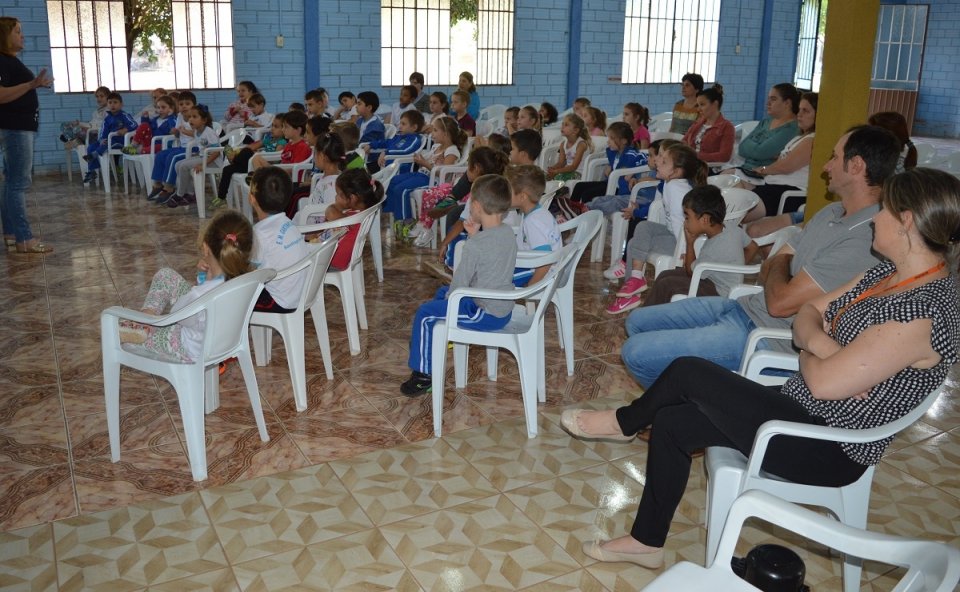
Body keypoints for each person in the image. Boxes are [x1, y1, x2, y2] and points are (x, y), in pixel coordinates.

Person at [560, 166, 960, 570]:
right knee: (673, 422)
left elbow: (821, 383)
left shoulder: (921, 312)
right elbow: (807, 312)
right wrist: (825, 345)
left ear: (906, 220)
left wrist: (817, 352)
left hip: (826, 445)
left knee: (688, 371)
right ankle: (647, 542)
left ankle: (625, 422)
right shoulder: (885, 275)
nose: (875, 217)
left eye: (885, 210)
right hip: (800, 408)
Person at [619, 125, 901, 387]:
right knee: (636, 322)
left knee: (635, 352)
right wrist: (781, 267)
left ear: (856, 166)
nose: (826, 167)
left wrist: (781, 262)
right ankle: (676, 396)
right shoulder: (830, 213)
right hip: (746, 306)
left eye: (834, 157)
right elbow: (768, 270)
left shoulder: (866, 237)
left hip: (767, 333)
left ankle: (670, 410)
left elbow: (780, 302)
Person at [401, 174, 517, 397]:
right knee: (441, 293)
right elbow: (488, 264)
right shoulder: (506, 233)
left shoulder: (474, 247)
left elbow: (460, 285)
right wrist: (474, 236)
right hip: (502, 306)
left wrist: (450, 299)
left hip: (484, 311)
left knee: (425, 313)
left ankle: (423, 376)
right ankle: (438, 339)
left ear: (475, 206)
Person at [118, 209, 255, 361]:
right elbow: (204, 299)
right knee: (166, 275)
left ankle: (143, 326)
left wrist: (201, 285)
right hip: (222, 339)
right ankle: (146, 317)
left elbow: (178, 316)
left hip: (190, 347)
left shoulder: (199, 295)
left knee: (116, 328)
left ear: (205, 248)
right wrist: (207, 275)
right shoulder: (249, 280)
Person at [607, 143, 707, 314]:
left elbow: (680, 222)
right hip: (675, 235)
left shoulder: (676, 188)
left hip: (683, 243)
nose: (658, 161)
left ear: (676, 171)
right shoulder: (671, 183)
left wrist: (683, 251)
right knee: (640, 231)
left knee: (635, 242)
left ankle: (631, 291)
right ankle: (634, 284)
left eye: (664, 161)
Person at [642, 184, 754, 306]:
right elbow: (753, 247)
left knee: (667, 283)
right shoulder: (733, 228)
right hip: (712, 280)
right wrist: (737, 269)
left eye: (687, 217)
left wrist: (690, 243)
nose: (685, 222)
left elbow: (692, 272)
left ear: (705, 219)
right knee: (665, 275)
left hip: (719, 292)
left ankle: (646, 318)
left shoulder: (714, 248)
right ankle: (653, 311)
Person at [0, 16, 54, 254]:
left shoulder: (9, 61)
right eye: (18, 31)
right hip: (15, 129)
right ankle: (24, 239)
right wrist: (31, 85)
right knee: (18, 184)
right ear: (4, 36)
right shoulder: (2, 61)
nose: (22, 36)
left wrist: (35, 85)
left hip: (17, 128)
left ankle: (11, 234)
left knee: (11, 182)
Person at [740, 92, 818, 223]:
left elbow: (785, 166)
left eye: (806, 111)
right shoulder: (799, 138)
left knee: (736, 214)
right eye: (799, 110)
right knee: (734, 186)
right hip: (772, 186)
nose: (799, 114)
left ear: (818, 115)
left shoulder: (812, 140)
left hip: (786, 192)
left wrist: (763, 169)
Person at [248, 166, 311, 313]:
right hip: (302, 292)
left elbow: (249, 271)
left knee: (232, 295)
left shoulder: (259, 234)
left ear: (252, 198)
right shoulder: (289, 223)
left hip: (281, 301)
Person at [384, 116, 465, 221]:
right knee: (393, 181)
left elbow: (444, 174)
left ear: (446, 134)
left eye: (435, 130)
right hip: (421, 174)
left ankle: (405, 222)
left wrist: (425, 163)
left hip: (433, 181)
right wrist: (420, 159)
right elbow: (427, 161)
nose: (432, 134)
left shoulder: (452, 151)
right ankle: (394, 213)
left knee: (401, 189)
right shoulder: (436, 147)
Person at [726, 83, 800, 176]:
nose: (768, 103)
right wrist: (758, 149)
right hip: (745, 169)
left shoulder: (792, 128)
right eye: (768, 98)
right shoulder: (765, 122)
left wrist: (755, 147)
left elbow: (760, 152)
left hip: (762, 176)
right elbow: (742, 148)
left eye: (773, 99)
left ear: (787, 103)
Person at [571, 121, 648, 206]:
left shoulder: (632, 154)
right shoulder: (614, 152)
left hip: (620, 189)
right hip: (610, 182)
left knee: (588, 194)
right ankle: (570, 209)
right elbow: (615, 164)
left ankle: (585, 214)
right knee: (579, 186)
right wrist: (609, 165)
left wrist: (632, 171)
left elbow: (645, 159)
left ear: (623, 141)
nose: (608, 142)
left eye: (611, 139)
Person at [321, 168, 384, 272]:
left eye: (339, 194)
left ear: (352, 198)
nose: (336, 197)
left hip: (332, 263)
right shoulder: (360, 213)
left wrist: (336, 206)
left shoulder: (353, 219)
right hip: (337, 259)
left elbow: (330, 212)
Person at [216, 113, 288, 204]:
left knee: (246, 152)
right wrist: (239, 151)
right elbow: (253, 146)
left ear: (284, 129)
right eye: (272, 125)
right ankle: (221, 197)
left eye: (276, 127)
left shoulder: (282, 142)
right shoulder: (268, 138)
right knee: (227, 169)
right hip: (250, 163)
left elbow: (275, 158)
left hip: (261, 166)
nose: (272, 128)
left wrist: (258, 154)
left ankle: (233, 159)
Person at [507, 165, 561, 286]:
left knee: (493, 279)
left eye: (508, 190)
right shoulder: (537, 213)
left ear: (522, 197)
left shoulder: (533, 222)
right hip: (531, 266)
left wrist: (531, 287)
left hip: (538, 273)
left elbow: (546, 260)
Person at [163, 105, 223, 208]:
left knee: (183, 166)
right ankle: (190, 193)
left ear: (204, 120)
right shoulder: (197, 131)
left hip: (213, 161)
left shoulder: (209, 132)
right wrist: (182, 130)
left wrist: (203, 164)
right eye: (190, 117)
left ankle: (180, 194)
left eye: (194, 117)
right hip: (203, 158)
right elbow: (193, 134)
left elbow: (217, 151)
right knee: (178, 165)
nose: (190, 119)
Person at [82, 92, 137, 184]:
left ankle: (94, 155)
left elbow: (134, 124)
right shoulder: (107, 119)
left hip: (121, 141)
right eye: (110, 102)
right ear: (107, 104)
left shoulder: (124, 115)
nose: (112, 105)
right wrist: (102, 139)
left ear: (121, 104)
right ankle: (92, 172)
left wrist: (126, 129)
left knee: (108, 143)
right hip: (108, 141)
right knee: (91, 147)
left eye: (115, 102)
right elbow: (103, 131)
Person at [681, 85, 735, 164]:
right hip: (691, 162)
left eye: (702, 105)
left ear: (715, 104)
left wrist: (696, 156)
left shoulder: (727, 127)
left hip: (708, 167)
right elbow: (684, 141)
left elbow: (724, 156)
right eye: (698, 105)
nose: (698, 109)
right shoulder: (698, 123)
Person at [546, 113, 590, 181]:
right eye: (562, 124)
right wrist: (552, 168)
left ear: (575, 130)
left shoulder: (581, 145)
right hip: (567, 172)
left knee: (558, 178)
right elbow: (561, 163)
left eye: (566, 125)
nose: (562, 127)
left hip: (579, 174)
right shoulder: (563, 144)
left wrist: (557, 172)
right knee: (546, 177)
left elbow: (573, 167)